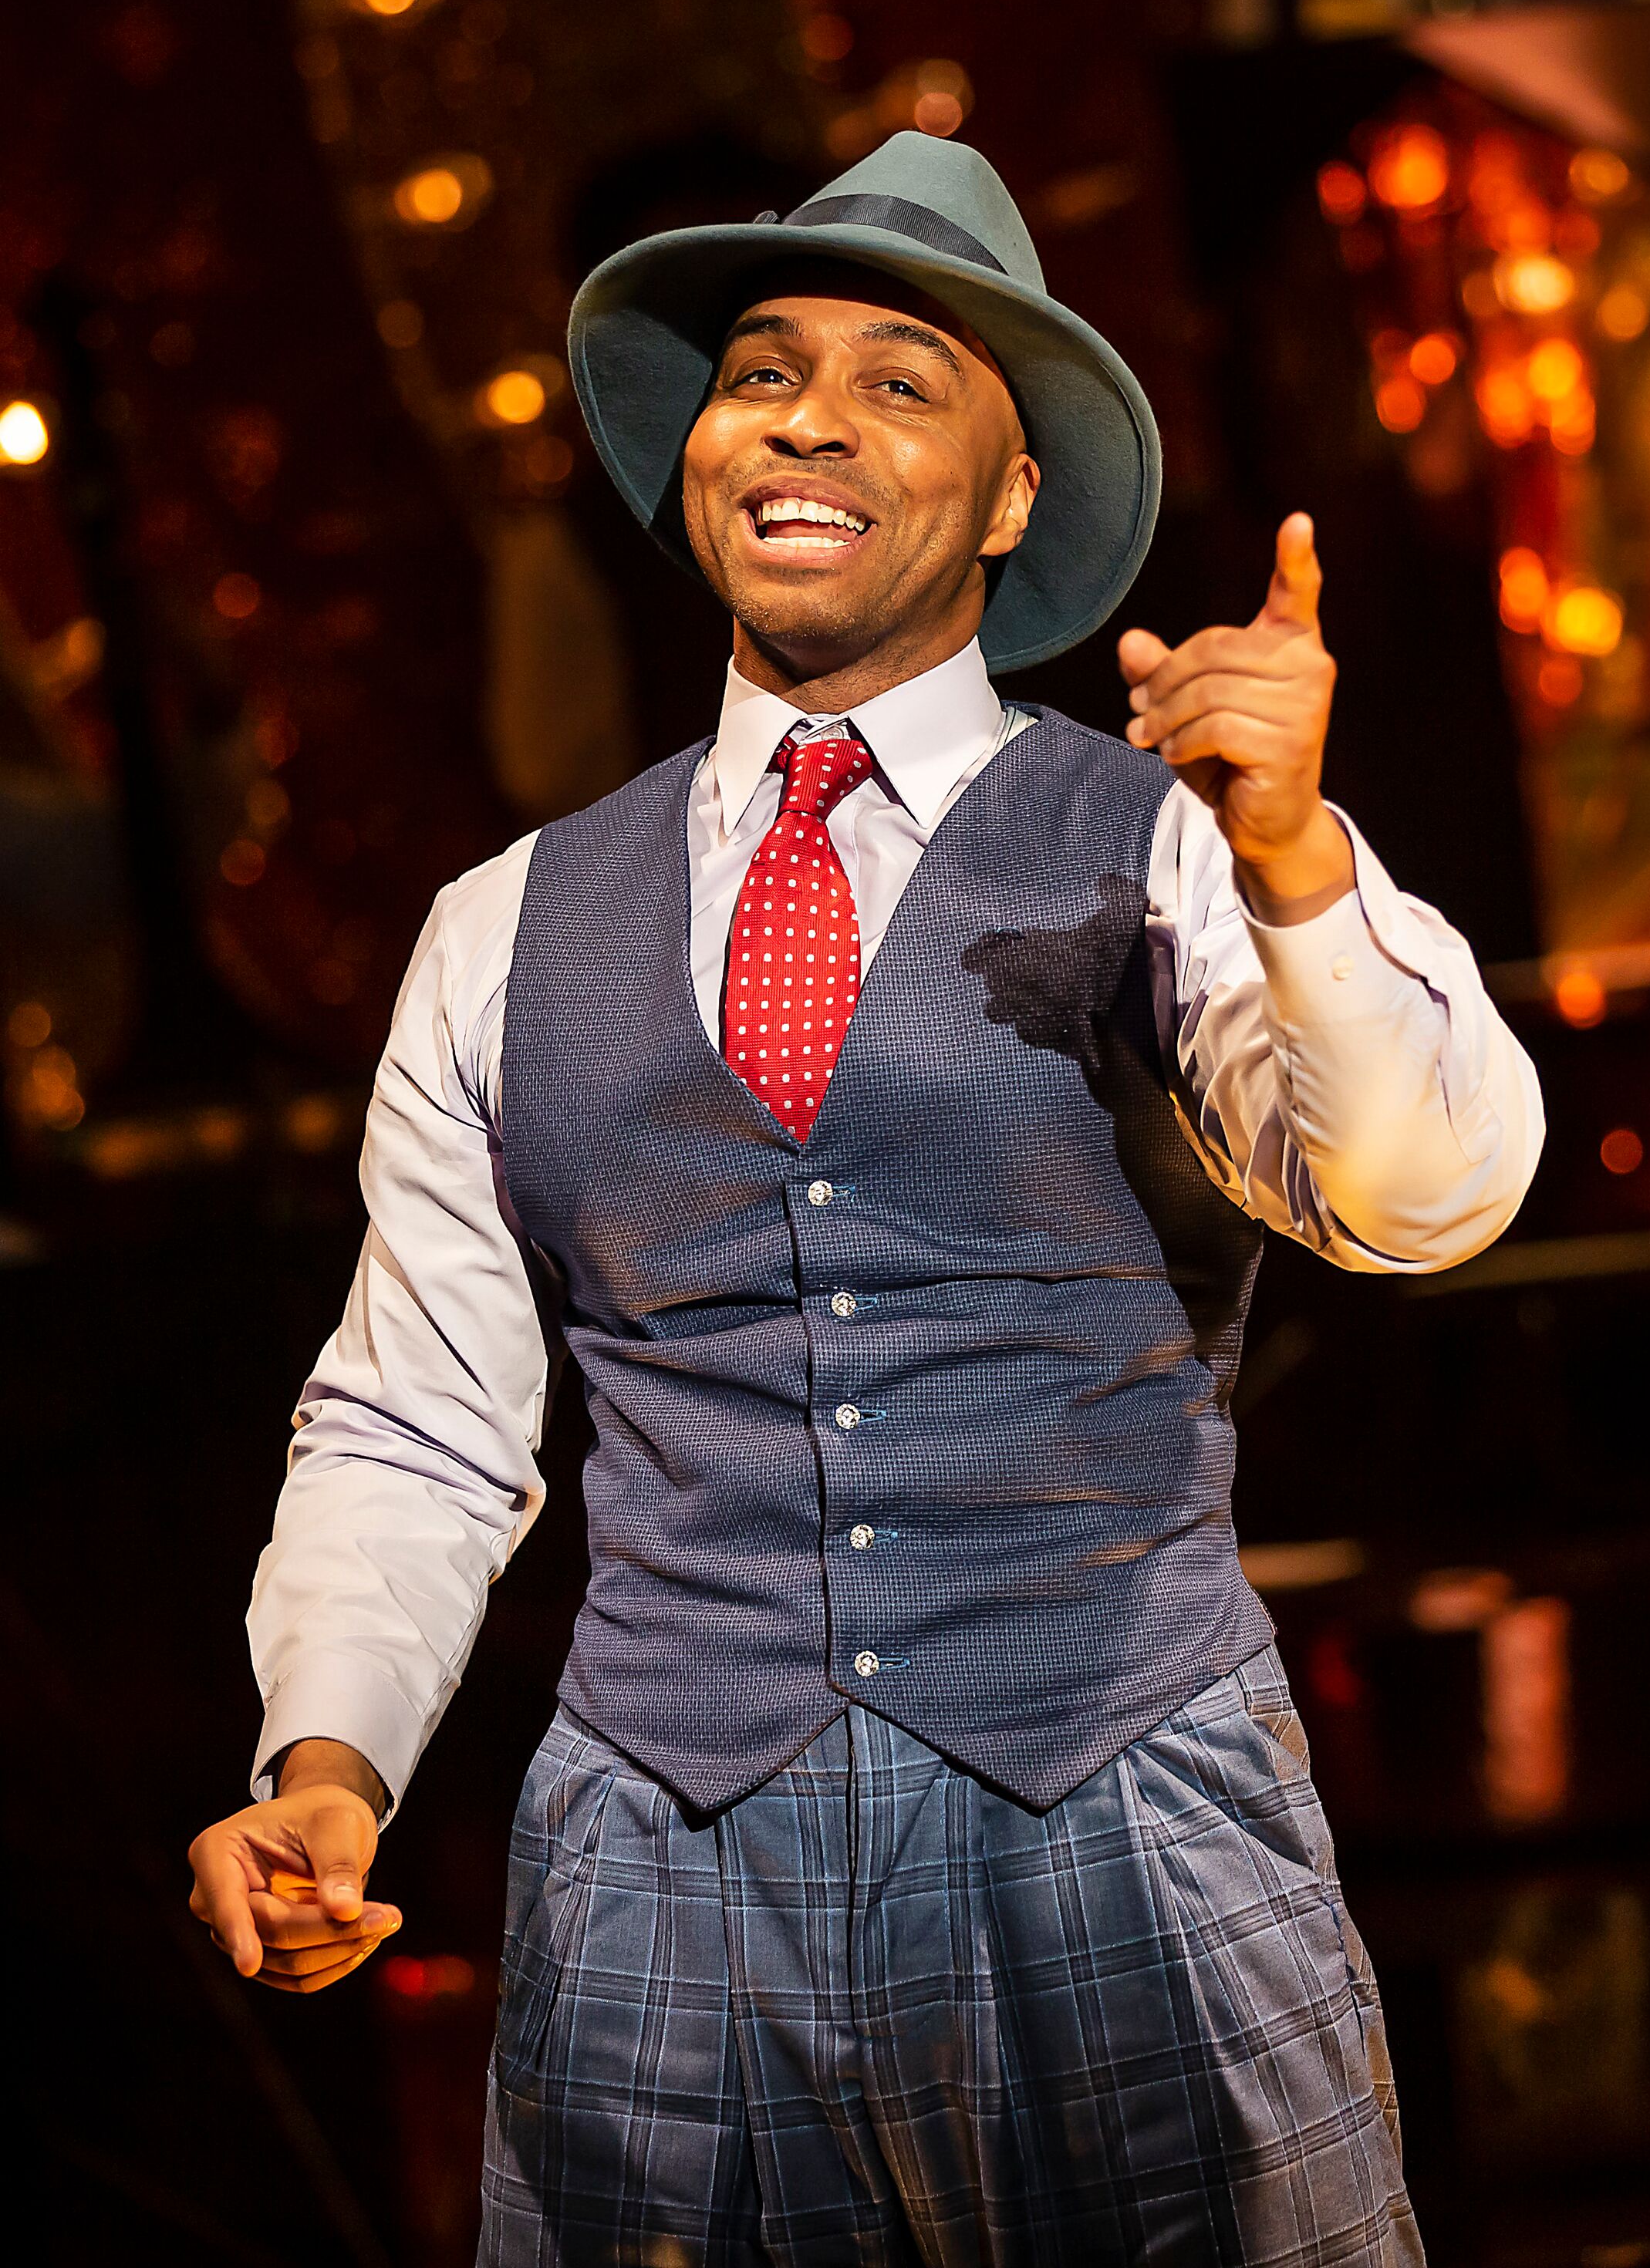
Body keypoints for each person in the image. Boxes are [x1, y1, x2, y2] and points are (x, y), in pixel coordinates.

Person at [190, 133, 1542, 2264]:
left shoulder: (1165, 846)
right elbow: (417, 1414)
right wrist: (327, 1759)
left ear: (1010, 501)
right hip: (662, 1859)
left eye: (902, 382)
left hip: (1117, 1815)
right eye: (759, 369)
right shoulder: (505, 926)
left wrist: (1296, 865)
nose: (808, 415)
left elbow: (1420, 1197)